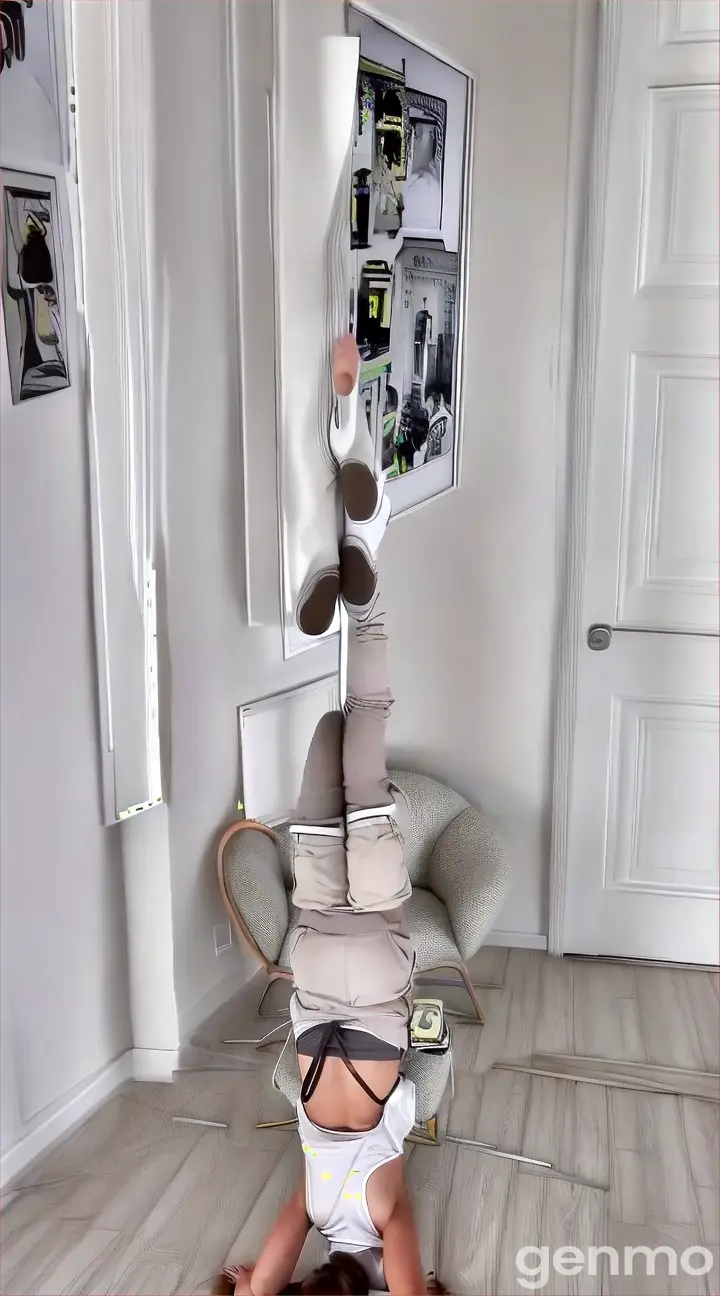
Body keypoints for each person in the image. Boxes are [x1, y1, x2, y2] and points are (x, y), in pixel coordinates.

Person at [219, 368, 441, 1292]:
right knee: (326, 741)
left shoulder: (382, 1205)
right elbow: (261, 1279)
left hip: (379, 969)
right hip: (313, 964)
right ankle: (344, 568)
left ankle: (365, 568)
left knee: (365, 724)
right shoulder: (309, 1205)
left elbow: (404, 1268)